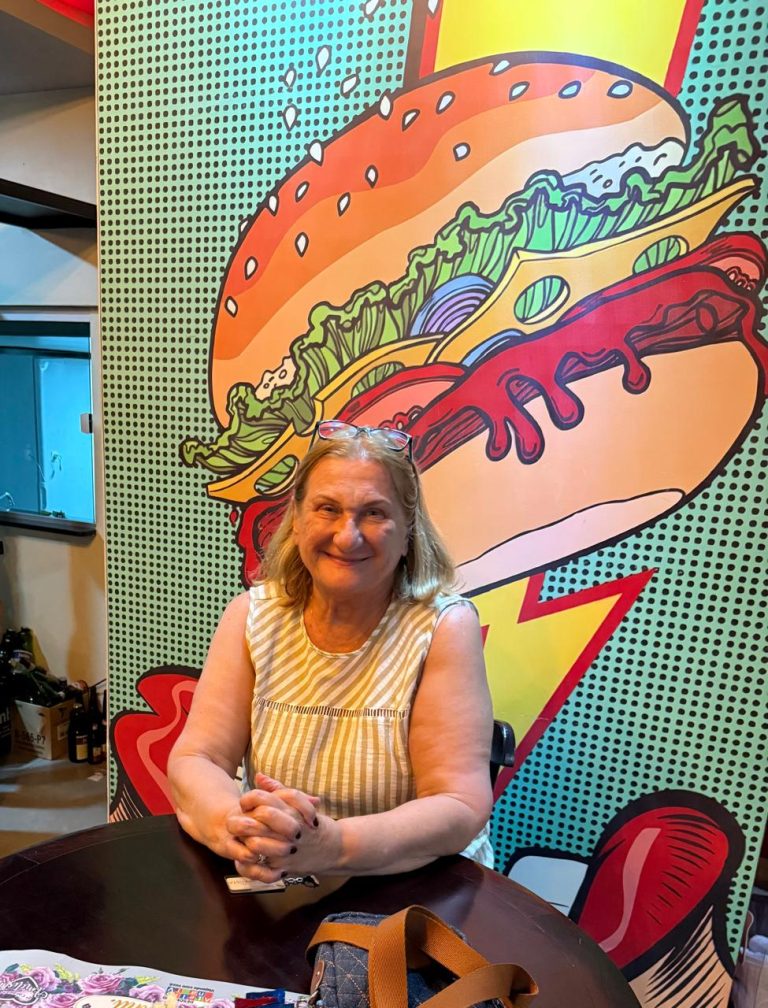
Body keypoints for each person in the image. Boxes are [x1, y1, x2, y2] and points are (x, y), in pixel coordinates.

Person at [168, 419, 493, 880]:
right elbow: (198, 759)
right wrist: (236, 827)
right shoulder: (251, 615)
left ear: (408, 532)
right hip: (283, 876)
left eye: (374, 513)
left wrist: (333, 845)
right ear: (297, 520)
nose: (347, 535)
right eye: (327, 509)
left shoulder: (444, 626)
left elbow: (459, 804)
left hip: (415, 888)